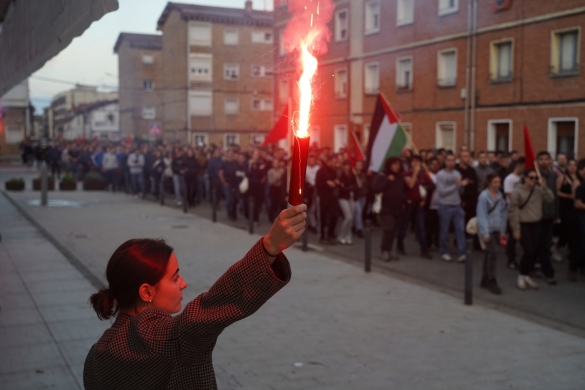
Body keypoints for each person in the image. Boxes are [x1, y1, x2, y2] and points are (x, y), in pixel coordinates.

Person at [84, 204, 307, 390]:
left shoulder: (95, 357)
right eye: (174, 278)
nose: (184, 283)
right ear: (146, 292)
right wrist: (269, 248)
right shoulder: (161, 340)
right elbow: (210, 308)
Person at [508, 169, 555, 290]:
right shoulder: (517, 192)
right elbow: (513, 212)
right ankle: (521, 276)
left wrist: (544, 187)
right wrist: (516, 230)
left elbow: (550, 199)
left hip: (536, 224)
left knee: (533, 252)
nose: (533, 180)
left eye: (535, 178)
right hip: (523, 224)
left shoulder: (538, 190)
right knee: (528, 251)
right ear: (524, 178)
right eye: (531, 177)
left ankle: (526, 275)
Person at [476, 174, 508, 295]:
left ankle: (484, 278)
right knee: (493, 253)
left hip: (496, 228)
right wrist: (485, 233)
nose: (497, 185)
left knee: (489, 254)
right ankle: (491, 279)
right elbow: (481, 215)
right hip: (487, 229)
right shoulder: (484, 196)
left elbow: (503, 213)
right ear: (489, 183)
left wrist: (502, 231)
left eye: (499, 182)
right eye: (495, 182)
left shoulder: (500, 196)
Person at [397, 155, 432, 259]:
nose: (416, 163)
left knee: (421, 227)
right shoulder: (406, 174)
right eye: (414, 162)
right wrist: (415, 173)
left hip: (418, 205)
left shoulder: (423, 176)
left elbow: (424, 189)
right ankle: (400, 245)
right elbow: (411, 185)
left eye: (418, 162)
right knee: (404, 227)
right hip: (408, 205)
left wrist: (424, 200)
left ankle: (424, 250)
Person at [372, 157, 406, 261]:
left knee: (393, 231)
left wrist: (404, 201)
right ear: (389, 165)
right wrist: (387, 180)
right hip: (385, 208)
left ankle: (389, 251)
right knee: (389, 229)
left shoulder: (400, 176)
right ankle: (384, 251)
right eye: (394, 164)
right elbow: (375, 189)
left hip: (398, 208)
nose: (397, 166)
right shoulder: (382, 176)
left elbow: (403, 190)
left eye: (398, 164)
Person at [436, 154, 468, 262]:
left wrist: (462, 186)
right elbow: (442, 192)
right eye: (449, 160)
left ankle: (461, 253)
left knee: (460, 231)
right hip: (445, 206)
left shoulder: (457, 173)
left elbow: (460, 191)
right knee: (444, 231)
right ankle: (444, 252)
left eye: (453, 160)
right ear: (445, 162)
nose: (451, 162)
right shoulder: (440, 175)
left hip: (457, 205)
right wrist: (456, 185)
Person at [536, 151, 559, 278]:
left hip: (549, 214)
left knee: (545, 242)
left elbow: (554, 195)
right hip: (538, 214)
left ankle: (531, 265)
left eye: (546, 159)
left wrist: (556, 214)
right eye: (541, 159)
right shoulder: (535, 176)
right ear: (537, 161)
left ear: (550, 160)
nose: (544, 161)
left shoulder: (552, 175)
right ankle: (548, 272)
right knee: (541, 244)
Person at [503, 157, 526, 269]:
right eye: (524, 166)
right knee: (512, 236)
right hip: (513, 211)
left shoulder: (524, 178)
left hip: (523, 211)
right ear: (519, 165)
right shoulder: (510, 179)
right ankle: (511, 259)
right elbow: (509, 194)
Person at [555, 158, 580, 260]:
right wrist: (568, 196)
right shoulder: (562, 178)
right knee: (566, 229)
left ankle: (571, 251)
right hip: (565, 206)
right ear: (567, 166)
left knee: (575, 230)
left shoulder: (580, 178)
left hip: (577, 207)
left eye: (574, 165)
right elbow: (556, 192)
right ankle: (558, 247)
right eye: (570, 165)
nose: (572, 167)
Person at [315, 155, 339, 245]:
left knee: (334, 215)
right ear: (329, 161)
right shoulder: (321, 171)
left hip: (332, 197)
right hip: (322, 197)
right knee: (322, 217)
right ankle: (321, 236)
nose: (335, 163)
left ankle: (330, 234)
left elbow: (335, 182)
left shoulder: (334, 171)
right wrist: (326, 183)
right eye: (334, 161)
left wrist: (335, 183)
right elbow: (317, 184)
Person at [570, 159, 585, 281]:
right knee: (582, 245)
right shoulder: (581, 187)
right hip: (582, 218)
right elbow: (578, 204)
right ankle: (572, 267)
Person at [336, 160, 358, 245]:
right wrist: (348, 187)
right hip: (343, 197)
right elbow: (341, 187)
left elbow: (356, 186)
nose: (347, 167)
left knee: (351, 218)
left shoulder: (353, 175)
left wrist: (347, 187)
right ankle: (341, 236)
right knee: (348, 217)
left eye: (348, 165)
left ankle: (348, 236)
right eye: (345, 165)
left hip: (352, 197)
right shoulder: (341, 175)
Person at [424, 157, 440, 252]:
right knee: (428, 227)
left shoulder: (441, 175)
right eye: (433, 164)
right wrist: (432, 186)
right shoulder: (425, 175)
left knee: (438, 227)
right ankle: (428, 244)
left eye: (437, 164)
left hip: (440, 205)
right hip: (429, 205)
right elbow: (424, 187)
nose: (435, 166)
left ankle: (437, 244)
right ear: (429, 165)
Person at [219, 149, 238, 220]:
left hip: (234, 184)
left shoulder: (235, 163)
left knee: (234, 199)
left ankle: (233, 212)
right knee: (228, 199)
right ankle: (229, 212)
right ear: (226, 154)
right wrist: (224, 182)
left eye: (231, 153)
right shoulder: (224, 163)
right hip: (227, 184)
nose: (230, 154)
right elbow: (220, 174)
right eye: (229, 153)